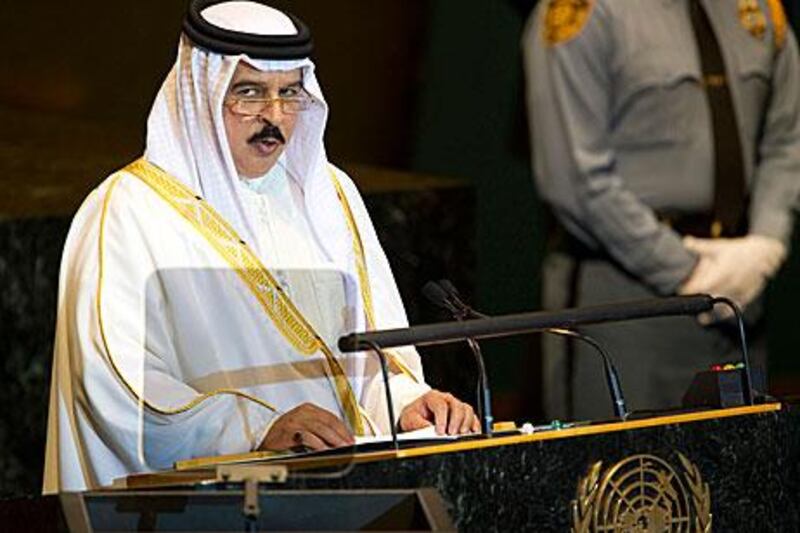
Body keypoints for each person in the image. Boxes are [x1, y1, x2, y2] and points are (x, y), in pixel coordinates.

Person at [44, 0, 478, 493]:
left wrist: (404, 403)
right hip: (203, 506)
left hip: (335, 495)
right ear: (199, 94)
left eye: (289, 94)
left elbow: (360, 358)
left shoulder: (329, 195)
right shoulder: (128, 211)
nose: (274, 117)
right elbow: (113, 388)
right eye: (249, 93)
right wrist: (255, 431)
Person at [523, 0, 800, 420]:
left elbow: (786, 138)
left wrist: (764, 246)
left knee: (738, 472)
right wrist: (688, 270)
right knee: (628, 473)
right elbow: (576, 181)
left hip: (741, 292)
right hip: (626, 303)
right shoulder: (584, 11)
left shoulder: (758, 8)